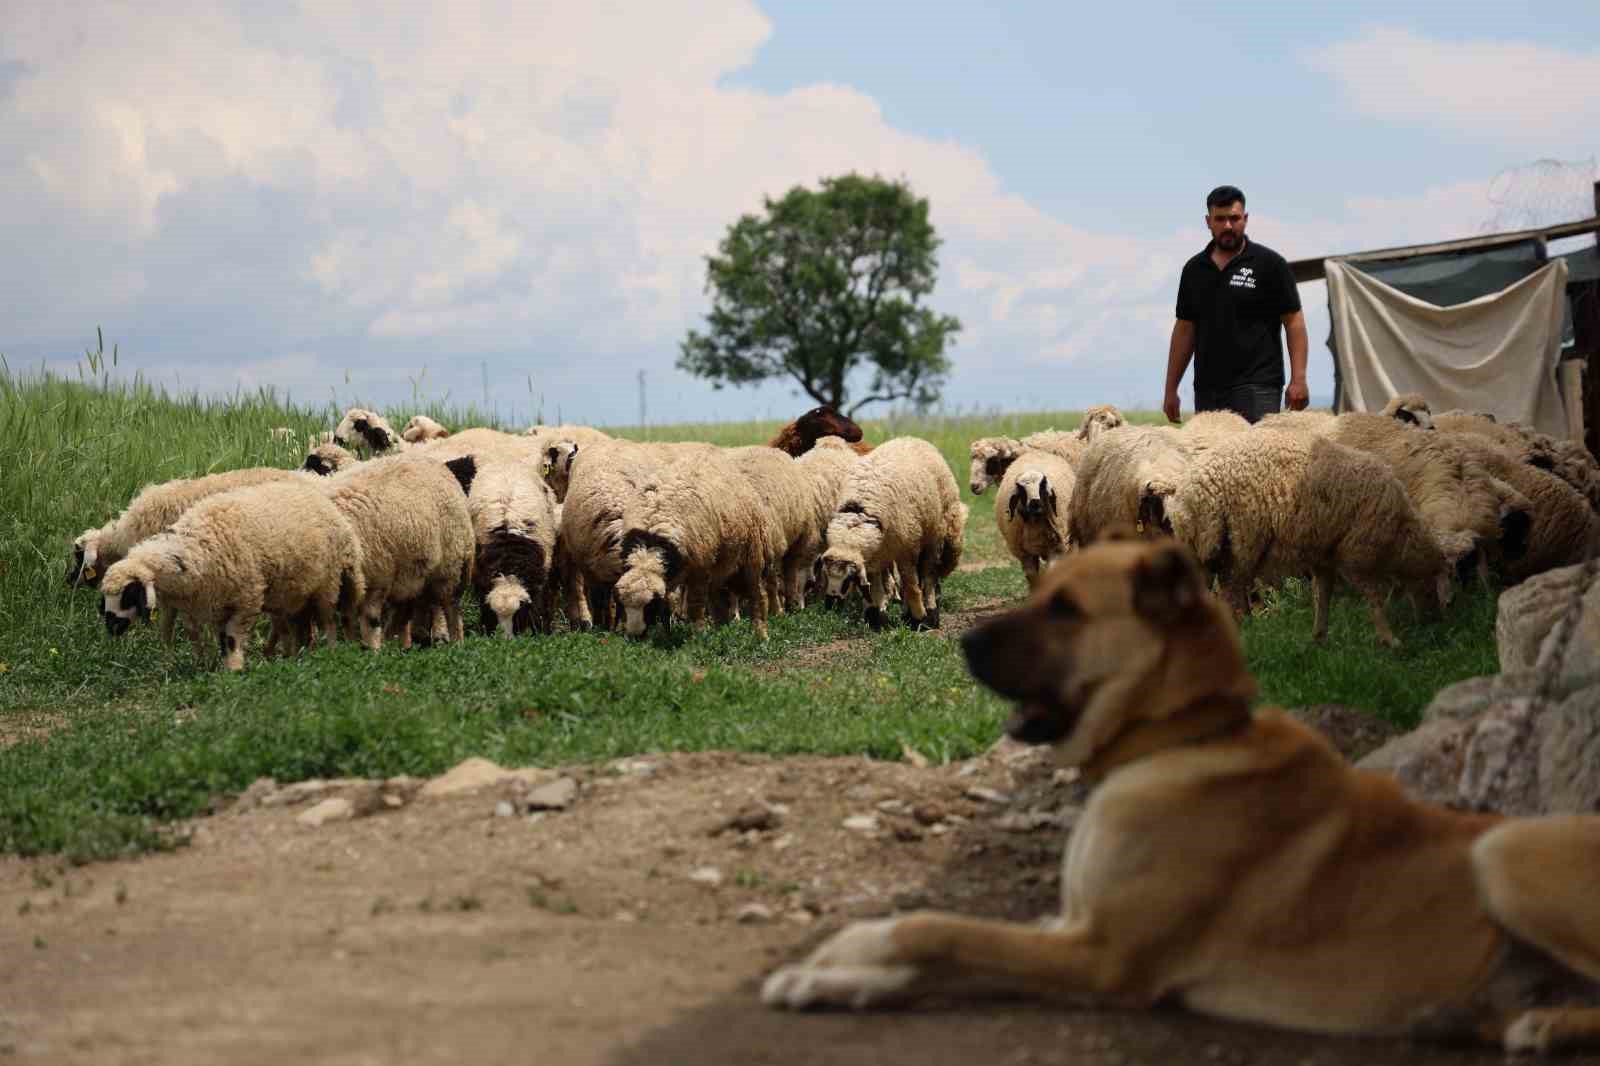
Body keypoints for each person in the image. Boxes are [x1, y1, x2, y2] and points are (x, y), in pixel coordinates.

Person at [1164, 185, 1309, 424]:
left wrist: (1299, 379)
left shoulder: (1270, 265)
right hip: (1208, 390)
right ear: (1208, 221)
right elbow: (1184, 330)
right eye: (1220, 219)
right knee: (1210, 458)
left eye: (1234, 218)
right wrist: (1171, 389)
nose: (1228, 226)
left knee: (1257, 459)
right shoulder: (1193, 270)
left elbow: (1294, 323)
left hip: (1258, 389)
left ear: (1246, 219)